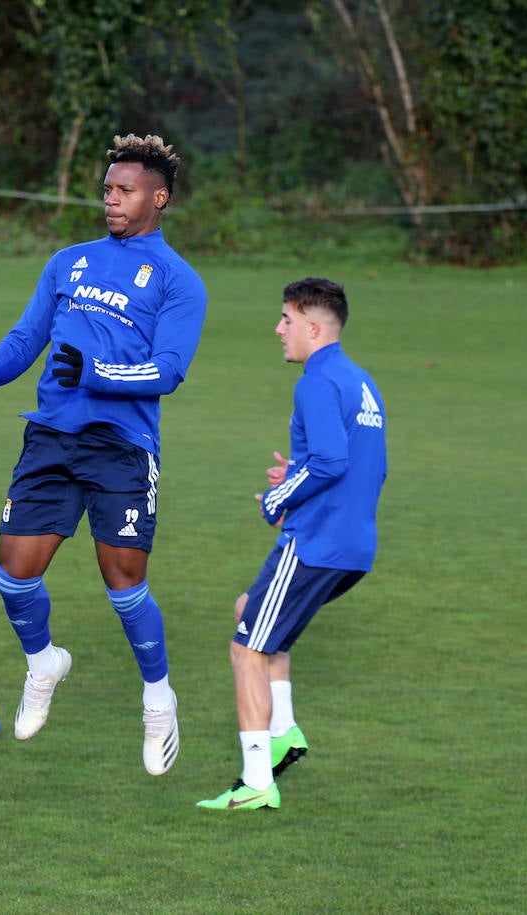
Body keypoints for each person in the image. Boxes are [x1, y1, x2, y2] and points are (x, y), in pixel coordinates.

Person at [0, 134, 207, 775]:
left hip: (121, 446)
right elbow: (25, 339)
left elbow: (167, 372)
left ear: (158, 198)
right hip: (50, 438)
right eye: (107, 189)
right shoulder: (69, 262)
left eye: (124, 190)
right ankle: (43, 663)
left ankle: (157, 698)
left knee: (123, 582)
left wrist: (97, 372)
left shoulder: (178, 281)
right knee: (13, 574)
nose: (110, 200)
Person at [197, 277, 387, 811]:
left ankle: (258, 781)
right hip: (353, 547)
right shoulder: (361, 382)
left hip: (315, 544)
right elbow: (372, 467)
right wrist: (298, 475)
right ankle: (285, 733)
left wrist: (278, 500)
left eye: (285, 319)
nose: (278, 329)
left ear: (312, 326)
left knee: (246, 647)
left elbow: (330, 463)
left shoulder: (316, 382)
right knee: (251, 612)